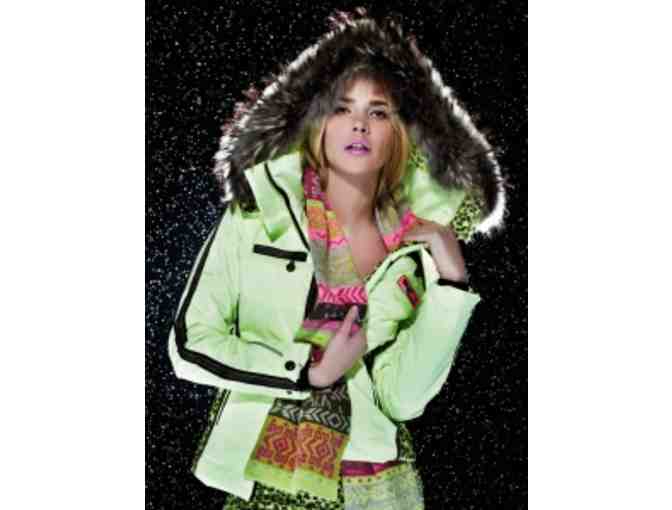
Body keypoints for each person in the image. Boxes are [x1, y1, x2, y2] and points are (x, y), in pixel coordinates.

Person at [168, 8, 506, 510]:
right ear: (314, 121)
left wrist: (451, 284)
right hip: (263, 482)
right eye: (341, 108)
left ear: (401, 133)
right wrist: (307, 372)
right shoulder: (257, 215)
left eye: (379, 112)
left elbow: (403, 399)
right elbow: (190, 343)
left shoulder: (412, 248)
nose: (360, 125)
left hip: (378, 484)